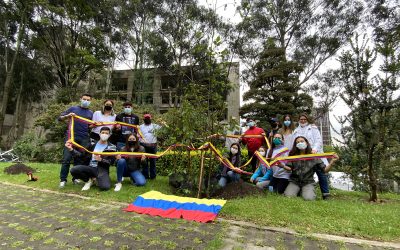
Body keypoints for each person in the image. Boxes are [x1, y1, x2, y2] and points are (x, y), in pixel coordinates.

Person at [283, 136, 338, 200]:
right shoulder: (293, 156)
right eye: (297, 142)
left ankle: (305, 191)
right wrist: (282, 166)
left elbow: (325, 170)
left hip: (308, 182)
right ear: (296, 145)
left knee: (309, 199)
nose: (300, 143)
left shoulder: (314, 156)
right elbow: (289, 168)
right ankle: (297, 191)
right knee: (288, 197)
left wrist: (332, 162)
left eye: (302, 141)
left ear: (306, 143)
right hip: (294, 181)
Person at [58, 93, 93, 188]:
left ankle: (75, 178)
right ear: (80, 99)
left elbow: (89, 126)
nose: (86, 101)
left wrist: (92, 126)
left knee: (79, 159)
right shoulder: (73, 109)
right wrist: (68, 115)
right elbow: (59, 118)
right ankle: (63, 180)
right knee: (66, 159)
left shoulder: (90, 113)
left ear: (90, 101)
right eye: (84, 99)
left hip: (83, 138)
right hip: (71, 137)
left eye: (88, 100)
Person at [292, 113, 330, 199]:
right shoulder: (296, 130)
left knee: (321, 174)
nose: (303, 121)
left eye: (304, 119)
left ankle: (326, 194)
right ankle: (302, 191)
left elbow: (318, 140)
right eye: (301, 119)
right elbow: (295, 143)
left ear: (307, 120)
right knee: (304, 174)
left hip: (314, 154)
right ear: (299, 120)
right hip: (302, 156)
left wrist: (315, 149)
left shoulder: (313, 128)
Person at [68, 127, 117, 191]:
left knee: (105, 187)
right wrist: (71, 149)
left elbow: (111, 162)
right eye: (103, 133)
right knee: (73, 170)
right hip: (90, 167)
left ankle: (96, 179)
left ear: (109, 135)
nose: (104, 134)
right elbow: (82, 156)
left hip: (102, 169)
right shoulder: (92, 144)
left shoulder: (112, 147)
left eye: (106, 133)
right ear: (99, 134)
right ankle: (88, 181)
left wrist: (101, 160)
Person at [139, 113, 161, 179]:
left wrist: (162, 122)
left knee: (153, 161)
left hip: (153, 146)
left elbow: (165, 129)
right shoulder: (140, 127)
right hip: (143, 146)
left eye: (148, 118)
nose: (147, 119)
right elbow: (138, 136)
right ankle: (145, 175)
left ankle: (153, 176)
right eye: (146, 118)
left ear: (151, 118)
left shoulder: (155, 126)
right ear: (143, 119)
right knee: (144, 161)